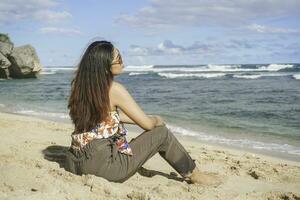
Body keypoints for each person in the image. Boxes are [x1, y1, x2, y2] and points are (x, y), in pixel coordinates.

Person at [64, 40, 220, 185]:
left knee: (135, 136)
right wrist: (157, 119)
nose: (123, 63)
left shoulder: (79, 87)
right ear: (105, 67)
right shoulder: (114, 89)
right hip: (103, 168)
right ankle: (193, 174)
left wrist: (132, 119)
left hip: (74, 161)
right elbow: (148, 125)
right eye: (119, 59)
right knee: (162, 133)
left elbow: (104, 118)